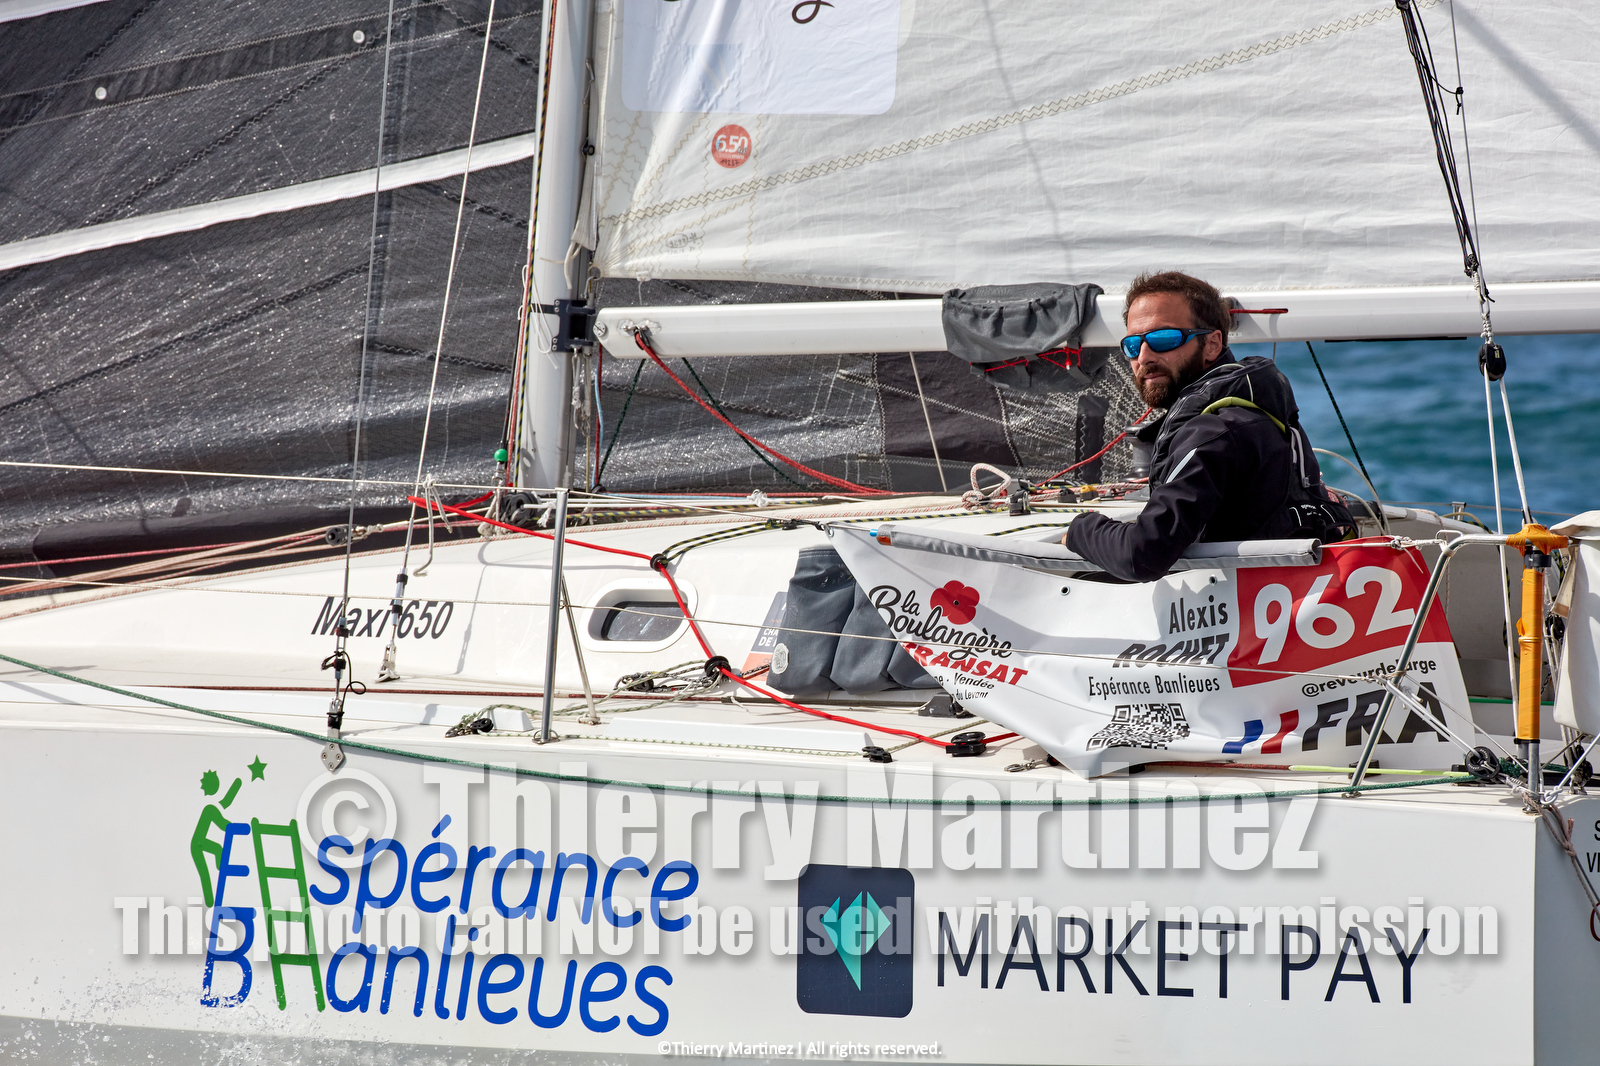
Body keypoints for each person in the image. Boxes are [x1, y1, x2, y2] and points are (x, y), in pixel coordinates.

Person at [1064, 271, 1354, 582]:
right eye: (1133, 345)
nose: (1144, 357)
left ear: (1212, 344)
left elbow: (1142, 555)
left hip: (1245, 601)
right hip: (1283, 590)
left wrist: (1081, 529)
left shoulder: (1213, 432)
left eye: (1163, 339)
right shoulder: (1257, 408)